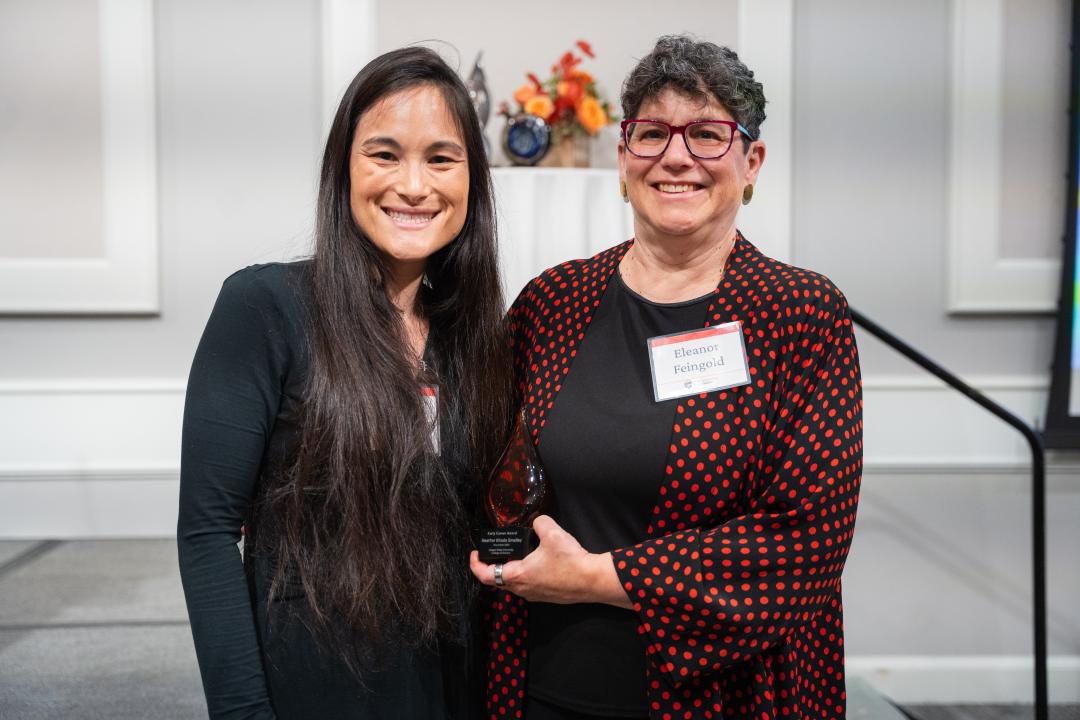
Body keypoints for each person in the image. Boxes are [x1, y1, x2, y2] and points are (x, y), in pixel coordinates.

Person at [470, 35, 862, 720]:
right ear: (624, 159)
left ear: (751, 163)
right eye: (652, 134)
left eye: (708, 134)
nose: (675, 156)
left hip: (725, 697)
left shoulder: (802, 315)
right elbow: (487, 467)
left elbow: (805, 542)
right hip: (544, 688)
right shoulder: (551, 303)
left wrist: (596, 577)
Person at [179, 46, 514, 719]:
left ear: (472, 180)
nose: (415, 186)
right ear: (344, 169)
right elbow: (208, 532)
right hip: (315, 685)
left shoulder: (470, 336)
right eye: (385, 155)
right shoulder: (266, 307)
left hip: (450, 684)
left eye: (441, 159)